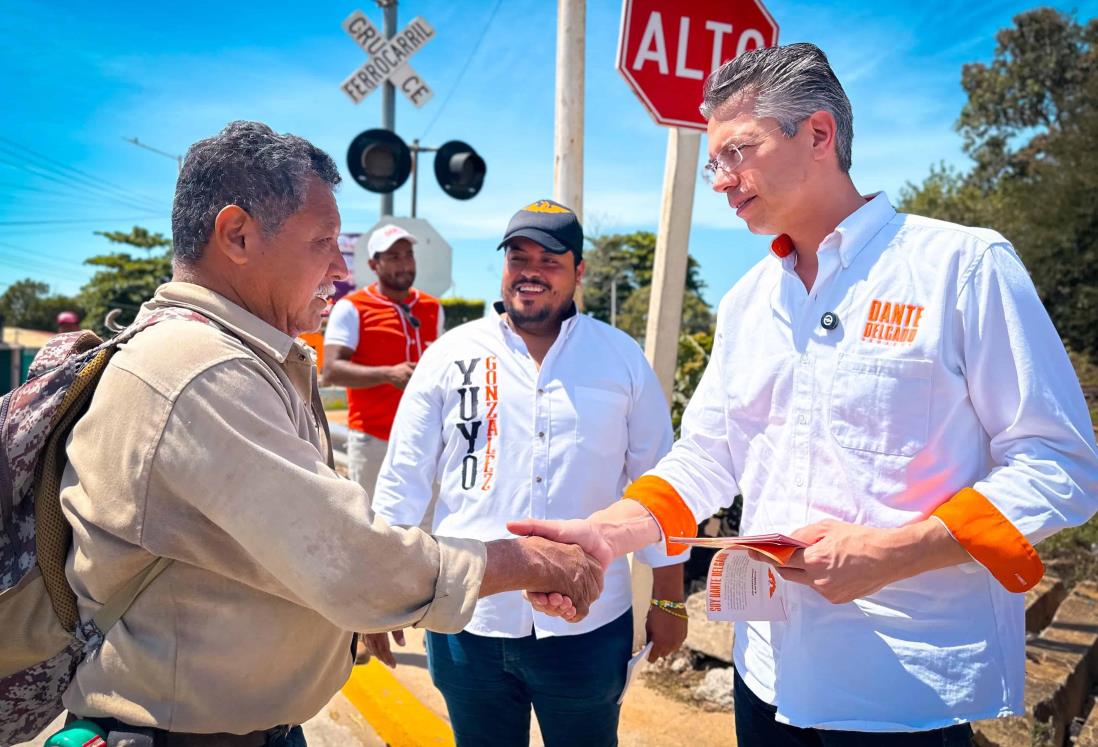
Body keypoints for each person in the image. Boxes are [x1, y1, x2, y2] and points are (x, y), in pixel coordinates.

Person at [512, 44, 1098, 745]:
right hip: (765, 671)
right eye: (713, 162)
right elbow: (710, 455)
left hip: (902, 690)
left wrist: (897, 550)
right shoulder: (747, 301)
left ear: (818, 134)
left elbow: (1060, 463)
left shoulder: (961, 266)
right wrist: (603, 536)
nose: (722, 181)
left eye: (738, 153)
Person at [58, 121, 603, 745]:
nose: (340, 267)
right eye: (323, 241)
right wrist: (532, 561)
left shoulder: (229, 355)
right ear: (237, 235)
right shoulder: (200, 373)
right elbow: (353, 560)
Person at [370, 199, 689, 746]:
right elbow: (404, 477)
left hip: (587, 624)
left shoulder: (620, 359)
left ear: (579, 272)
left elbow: (657, 484)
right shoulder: (451, 356)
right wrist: (376, 592)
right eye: (519, 258)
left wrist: (667, 596)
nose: (531, 272)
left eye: (550, 260)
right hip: (466, 616)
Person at [321, 224, 443, 499]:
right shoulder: (351, 308)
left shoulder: (432, 307)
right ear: (373, 264)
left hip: (427, 439)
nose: (404, 264)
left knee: (427, 530)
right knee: (378, 530)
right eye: (393, 257)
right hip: (375, 441)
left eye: (408, 255)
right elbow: (331, 371)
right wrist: (388, 374)